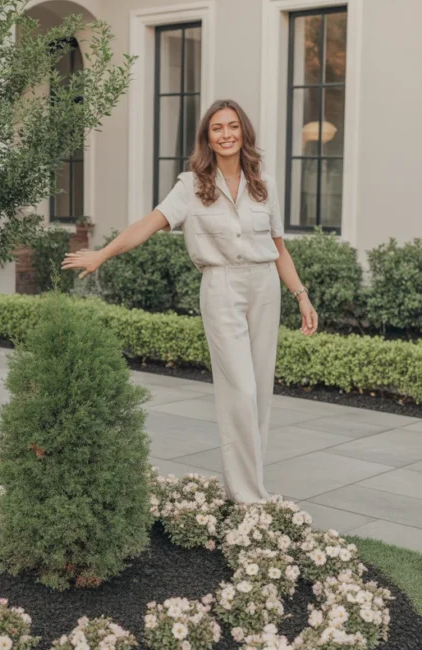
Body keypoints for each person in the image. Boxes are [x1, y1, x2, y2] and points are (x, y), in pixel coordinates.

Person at [60, 98, 318, 504]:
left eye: (233, 126)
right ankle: (249, 496)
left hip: (265, 287)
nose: (227, 134)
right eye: (218, 128)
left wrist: (301, 295)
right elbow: (148, 223)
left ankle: (250, 486)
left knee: (261, 393)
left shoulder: (263, 184)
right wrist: (102, 253)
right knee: (240, 391)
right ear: (208, 137)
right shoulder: (191, 185)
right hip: (221, 287)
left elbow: (279, 248)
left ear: (243, 133)